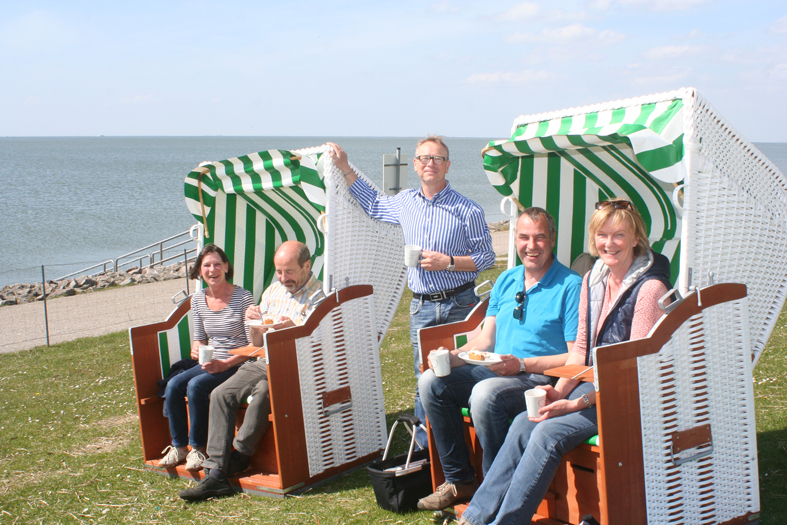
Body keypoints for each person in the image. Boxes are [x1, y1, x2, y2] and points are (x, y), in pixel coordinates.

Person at [458, 199, 671, 525]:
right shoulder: (593, 280)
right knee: (523, 423)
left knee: (545, 434)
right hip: (592, 383)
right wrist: (558, 393)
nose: (609, 243)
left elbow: (634, 372)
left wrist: (573, 404)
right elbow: (581, 349)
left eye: (619, 235)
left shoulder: (649, 289)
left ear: (636, 239)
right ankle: (474, 518)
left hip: (625, 398)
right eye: (602, 234)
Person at [328, 137, 495, 449]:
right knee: (424, 376)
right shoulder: (405, 202)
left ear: (447, 165)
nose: (430, 163)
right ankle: (425, 449)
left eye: (437, 158)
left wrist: (449, 263)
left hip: (460, 304)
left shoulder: (468, 209)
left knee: (465, 370)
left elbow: (486, 257)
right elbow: (374, 204)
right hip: (421, 307)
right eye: (424, 158)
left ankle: (471, 441)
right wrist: (344, 167)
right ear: (416, 165)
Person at [416, 208, 582, 511]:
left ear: (552, 240)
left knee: (484, 394)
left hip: (537, 379)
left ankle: (495, 493)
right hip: (496, 370)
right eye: (523, 237)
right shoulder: (506, 280)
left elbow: (575, 355)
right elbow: (485, 340)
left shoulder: (571, 285)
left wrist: (520, 364)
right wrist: (450, 357)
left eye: (539, 237)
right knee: (431, 382)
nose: (531, 246)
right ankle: (460, 480)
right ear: (515, 240)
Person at [179, 241, 324, 501]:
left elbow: (317, 347)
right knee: (220, 394)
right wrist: (254, 321)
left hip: (294, 364)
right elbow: (256, 343)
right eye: (279, 271)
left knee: (264, 393)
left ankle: (240, 455)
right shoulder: (273, 291)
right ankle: (215, 474)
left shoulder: (320, 298)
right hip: (262, 360)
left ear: (307, 266)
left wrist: (293, 329)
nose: (283, 278)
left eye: (289, 271)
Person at [159, 244, 255, 471]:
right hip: (211, 361)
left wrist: (225, 364)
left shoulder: (243, 297)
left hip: (237, 361)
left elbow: (253, 346)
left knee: (196, 386)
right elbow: (199, 338)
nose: (212, 270)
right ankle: (179, 447)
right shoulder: (198, 299)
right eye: (207, 265)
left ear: (226, 267)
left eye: (217, 264)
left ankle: (198, 450)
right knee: (173, 385)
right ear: (200, 271)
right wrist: (197, 348)